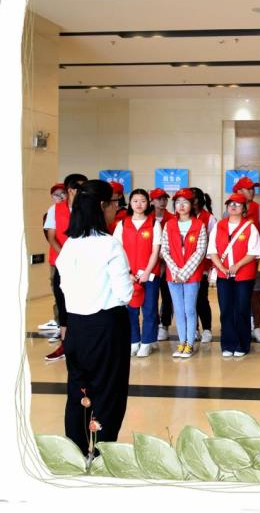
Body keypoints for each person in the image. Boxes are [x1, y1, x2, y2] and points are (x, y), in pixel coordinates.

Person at [56, 179, 133, 456]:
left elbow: (62, 288)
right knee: (108, 394)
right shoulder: (110, 245)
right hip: (107, 326)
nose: (116, 209)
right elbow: (124, 294)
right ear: (102, 206)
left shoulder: (70, 245)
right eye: (114, 204)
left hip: (77, 327)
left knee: (79, 392)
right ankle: (101, 455)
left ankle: (76, 453)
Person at [207, 193, 260, 358]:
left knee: (242, 309)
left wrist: (237, 266)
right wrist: (221, 267)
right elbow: (212, 250)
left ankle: (242, 345)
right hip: (223, 274)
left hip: (244, 275)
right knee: (225, 309)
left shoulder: (250, 227)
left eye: (237, 204)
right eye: (230, 203)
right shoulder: (219, 226)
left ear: (244, 208)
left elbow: (253, 252)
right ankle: (228, 344)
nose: (233, 206)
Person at [43, 173, 88, 361]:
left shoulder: (87, 208)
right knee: (62, 302)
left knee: (83, 302)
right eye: (81, 188)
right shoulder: (55, 209)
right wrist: (65, 256)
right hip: (61, 263)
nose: (84, 192)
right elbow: (51, 236)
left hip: (84, 264)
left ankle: (84, 341)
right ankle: (65, 344)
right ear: (71, 190)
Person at [113, 189, 161, 358]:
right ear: (130, 203)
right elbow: (117, 251)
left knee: (149, 309)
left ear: (148, 203)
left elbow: (156, 251)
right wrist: (128, 272)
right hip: (128, 275)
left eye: (143, 201)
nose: (139, 204)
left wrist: (147, 272)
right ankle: (134, 341)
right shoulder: (122, 224)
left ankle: (147, 342)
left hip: (150, 274)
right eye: (135, 201)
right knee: (131, 310)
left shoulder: (154, 223)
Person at [161, 188, 208, 358]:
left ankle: (190, 343)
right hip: (173, 275)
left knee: (189, 309)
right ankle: (181, 342)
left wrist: (184, 272)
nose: (181, 206)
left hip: (192, 275)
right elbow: (164, 250)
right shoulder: (169, 225)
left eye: (185, 202)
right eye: (178, 202)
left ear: (192, 204)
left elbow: (200, 251)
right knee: (179, 309)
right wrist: (176, 271)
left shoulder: (199, 225)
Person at [232, 176, 260, 344]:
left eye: (253, 188)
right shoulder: (229, 210)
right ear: (238, 191)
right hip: (234, 263)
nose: (252, 191)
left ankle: (257, 327)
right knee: (237, 294)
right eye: (248, 188)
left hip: (254, 261)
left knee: (255, 293)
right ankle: (241, 325)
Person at [38, 183, 67, 336]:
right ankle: (59, 323)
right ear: (51, 197)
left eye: (63, 193)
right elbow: (50, 237)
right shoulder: (51, 212)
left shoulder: (74, 211)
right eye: (56, 194)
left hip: (72, 260)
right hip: (56, 260)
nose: (60, 197)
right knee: (58, 292)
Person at [191, 187, 216, 344]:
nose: (191, 201)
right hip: (185, 268)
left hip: (203, 267)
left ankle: (207, 329)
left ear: (200, 200)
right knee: (189, 301)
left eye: (193, 198)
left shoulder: (209, 218)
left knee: (201, 299)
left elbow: (214, 244)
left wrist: (212, 267)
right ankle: (193, 329)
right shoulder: (180, 218)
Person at [150, 188, 174, 341]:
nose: (163, 202)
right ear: (152, 201)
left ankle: (164, 325)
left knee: (167, 296)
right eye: (159, 199)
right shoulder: (147, 218)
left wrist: (165, 257)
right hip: (150, 264)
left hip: (168, 263)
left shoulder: (172, 218)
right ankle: (153, 324)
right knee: (151, 296)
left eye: (165, 199)